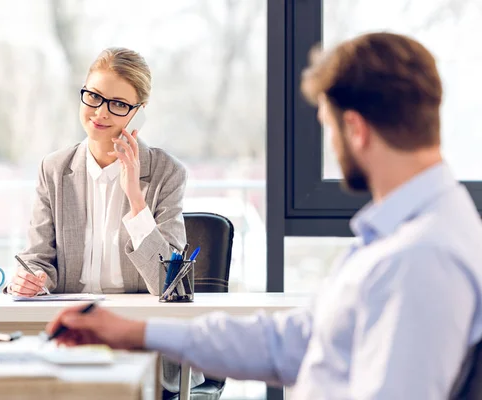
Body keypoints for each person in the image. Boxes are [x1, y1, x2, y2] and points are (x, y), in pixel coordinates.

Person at [44, 32, 482, 399]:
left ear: (356, 130)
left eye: (327, 127)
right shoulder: (408, 233)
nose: (330, 145)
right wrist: (138, 333)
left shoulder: (422, 257)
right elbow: (292, 343)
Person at [6, 47, 188, 297]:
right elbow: (37, 259)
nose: (101, 112)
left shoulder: (167, 172)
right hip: (69, 318)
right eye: (94, 96)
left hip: (133, 321)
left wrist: (135, 199)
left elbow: (168, 284)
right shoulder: (54, 170)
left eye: (118, 104)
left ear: (139, 112)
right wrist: (32, 280)